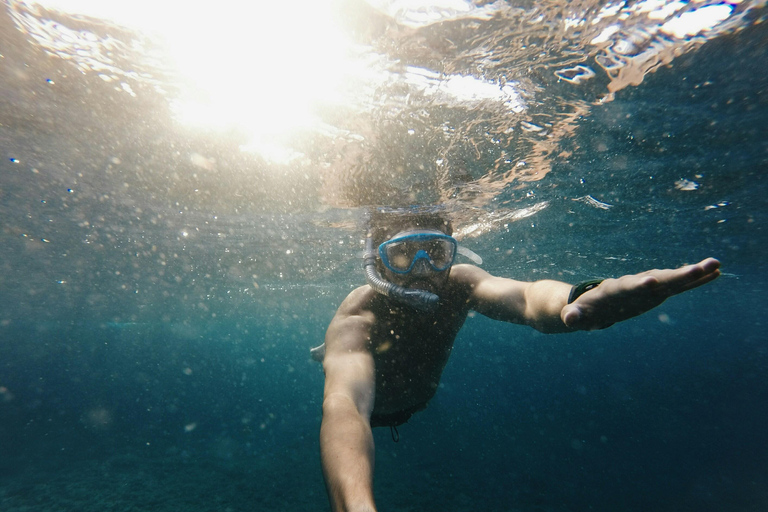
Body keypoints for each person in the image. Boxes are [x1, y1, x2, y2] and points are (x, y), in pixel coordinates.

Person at [312, 208, 720, 512]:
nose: (423, 270)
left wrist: (577, 298)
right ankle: (324, 354)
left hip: (415, 405)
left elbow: (526, 297)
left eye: (436, 252)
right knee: (339, 364)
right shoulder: (358, 317)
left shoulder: (461, 284)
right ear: (376, 260)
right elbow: (344, 405)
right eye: (402, 255)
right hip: (378, 413)